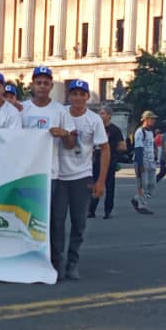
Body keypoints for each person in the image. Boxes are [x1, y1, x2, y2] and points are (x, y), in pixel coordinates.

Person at [52, 80, 108, 280]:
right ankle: (56, 262)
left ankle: (72, 262)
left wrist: (101, 180)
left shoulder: (94, 120)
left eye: (81, 94)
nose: (77, 98)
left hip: (82, 176)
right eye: (73, 94)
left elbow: (105, 149)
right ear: (69, 96)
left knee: (79, 222)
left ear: (87, 97)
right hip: (59, 175)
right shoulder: (60, 113)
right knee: (57, 222)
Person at [88, 107, 125, 219]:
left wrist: (113, 151)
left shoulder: (114, 130)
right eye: (99, 113)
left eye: (103, 113)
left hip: (110, 160)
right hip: (96, 160)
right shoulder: (96, 128)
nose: (100, 115)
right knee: (94, 184)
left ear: (109, 115)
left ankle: (108, 210)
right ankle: (91, 210)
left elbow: (122, 146)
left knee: (109, 186)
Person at [130, 111, 158, 215]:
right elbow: (138, 148)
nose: (153, 121)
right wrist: (140, 164)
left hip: (150, 161)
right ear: (145, 119)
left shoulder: (150, 132)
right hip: (142, 161)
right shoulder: (140, 132)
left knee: (152, 184)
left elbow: (151, 146)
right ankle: (142, 205)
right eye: (151, 118)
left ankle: (137, 198)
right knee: (142, 184)